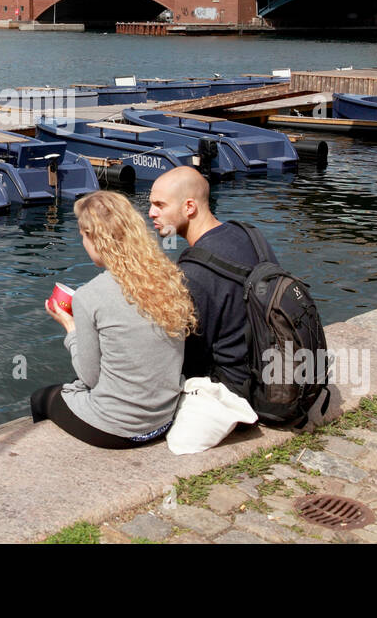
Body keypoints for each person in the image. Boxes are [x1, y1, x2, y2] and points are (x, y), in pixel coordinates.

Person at [31, 190, 196, 449]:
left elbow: (90, 377)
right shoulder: (169, 279)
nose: (83, 243)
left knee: (42, 398)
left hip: (117, 431)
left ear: (95, 238)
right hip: (162, 421)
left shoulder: (88, 296)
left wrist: (70, 328)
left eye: (83, 236)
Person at [148, 165, 268, 400]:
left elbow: (186, 357)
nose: (151, 213)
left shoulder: (194, 272)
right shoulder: (249, 234)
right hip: (267, 365)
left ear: (189, 207)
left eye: (160, 205)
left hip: (235, 390)